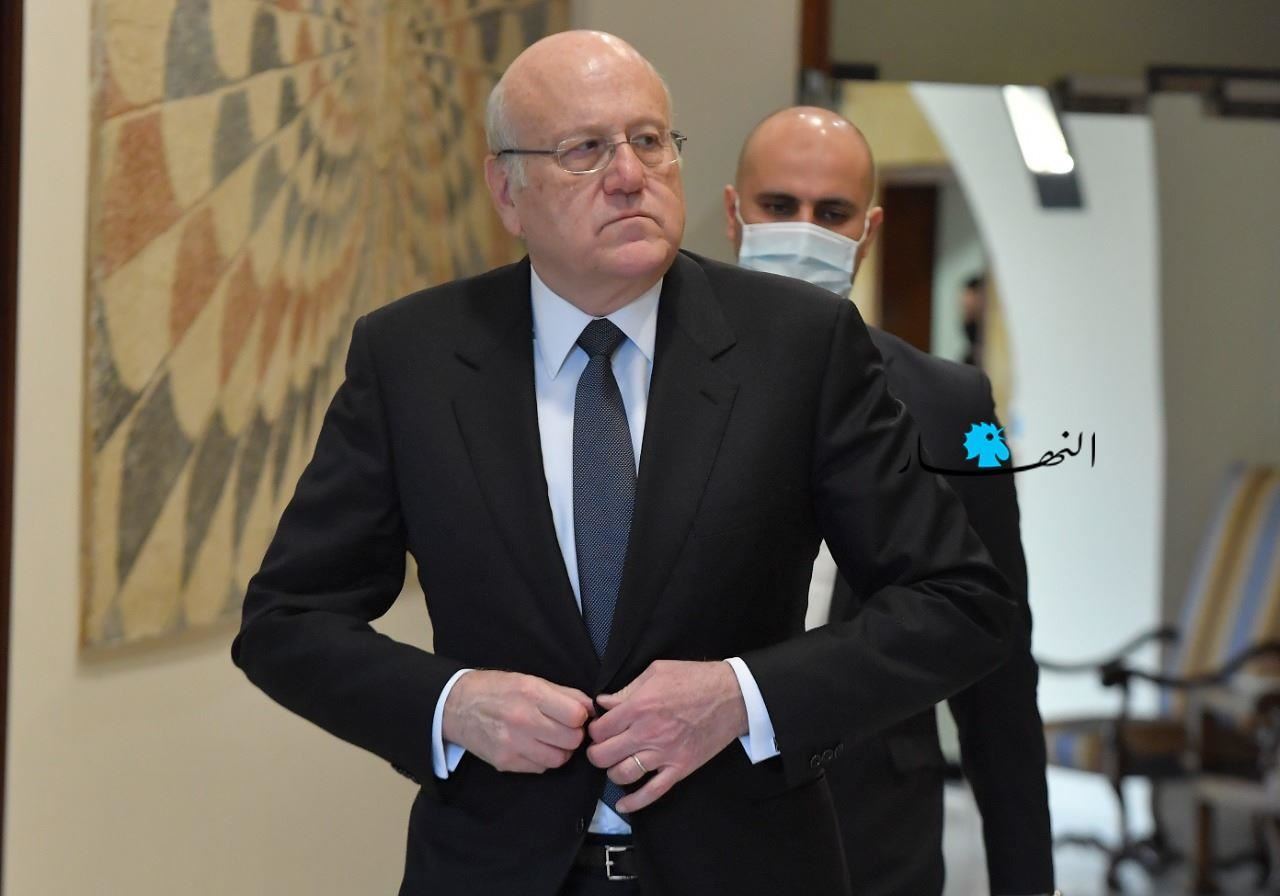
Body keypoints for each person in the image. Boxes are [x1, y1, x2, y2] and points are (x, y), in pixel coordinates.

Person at [233, 32, 1016, 896]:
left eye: (649, 140)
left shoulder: (799, 345)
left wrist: (742, 696)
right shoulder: (412, 358)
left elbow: (960, 602)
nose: (629, 175)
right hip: (496, 868)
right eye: (584, 149)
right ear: (507, 190)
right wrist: (452, 705)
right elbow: (287, 620)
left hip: (745, 867)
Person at [724, 106, 1055, 896]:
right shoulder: (655, 382)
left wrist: (1027, 881)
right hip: (704, 825)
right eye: (779, 205)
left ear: (867, 231)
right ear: (735, 214)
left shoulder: (959, 406)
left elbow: (1000, 662)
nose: (804, 230)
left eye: (831, 212)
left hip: (879, 831)